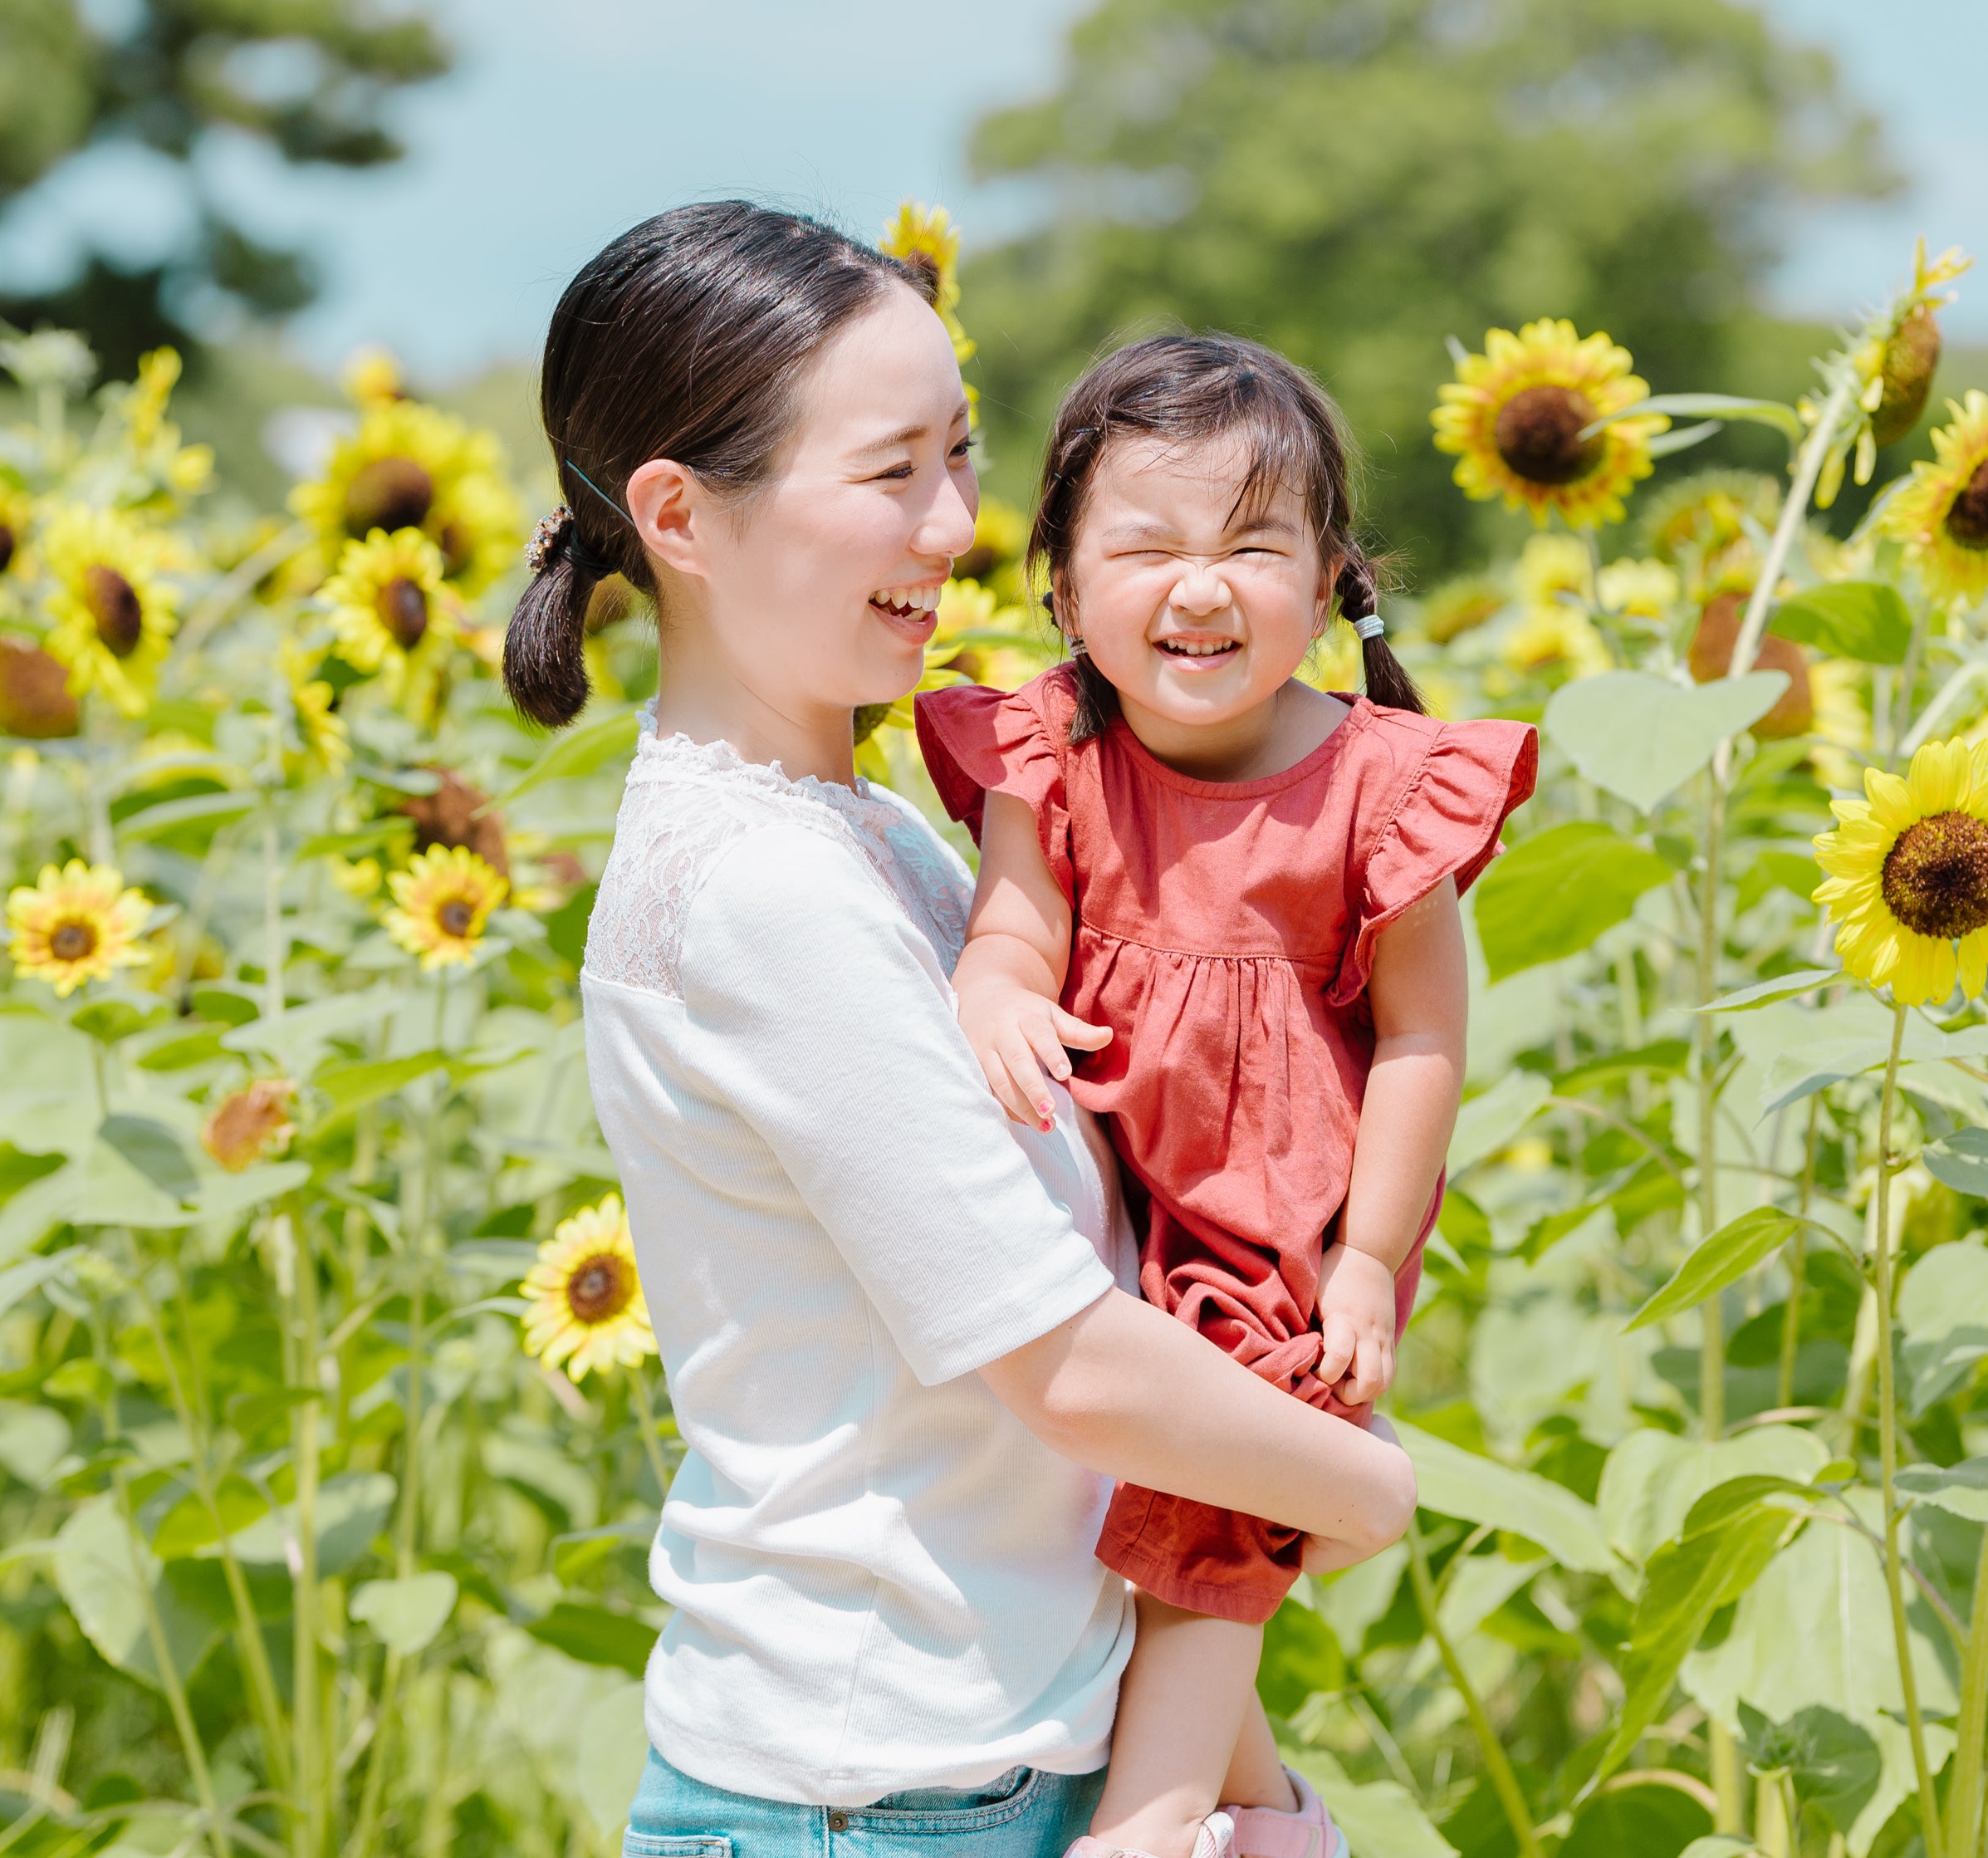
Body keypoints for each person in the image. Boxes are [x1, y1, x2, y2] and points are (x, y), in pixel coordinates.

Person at [502, 203, 1416, 1856]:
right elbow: (1061, 1361)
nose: (955, 524)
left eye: (962, 454)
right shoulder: (757, 889)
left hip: (999, 1755)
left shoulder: (891, 838)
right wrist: (1358, 1486)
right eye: (890, 473)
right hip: (872, 1796)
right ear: (679, 515)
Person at [915, 336, 1534, 1858]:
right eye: (1145, 547)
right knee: (1119, 1515)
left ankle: (1155, 1815)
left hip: (1279, 1217)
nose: (1200, 588)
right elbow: (1013, 925)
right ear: (1062, 584)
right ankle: (1267, 1816)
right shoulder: (1051, 744)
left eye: (1252, 546)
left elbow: (1423, 1040)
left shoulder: (1381, 783)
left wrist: (1373, 1256)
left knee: (1207, 1505)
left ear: (1331, 581)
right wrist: (995, 989)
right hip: (1100, 1181)